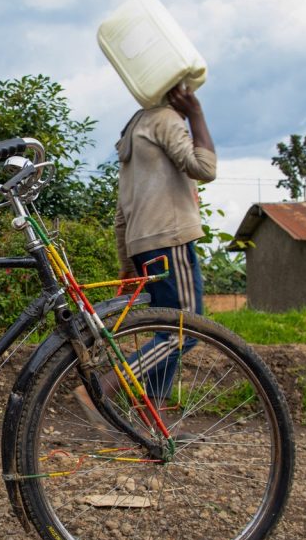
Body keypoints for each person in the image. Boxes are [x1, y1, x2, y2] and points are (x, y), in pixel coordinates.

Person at [75, 84, 216, 423]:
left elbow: (121, 213)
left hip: (143, 244)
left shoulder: (135, 128)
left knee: (165, 332)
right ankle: (101, 389)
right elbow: (205, 169)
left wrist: (127, 264)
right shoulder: (166, 120)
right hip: (170, 238)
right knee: (184, 330)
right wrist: (196, 116)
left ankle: (151, 422)